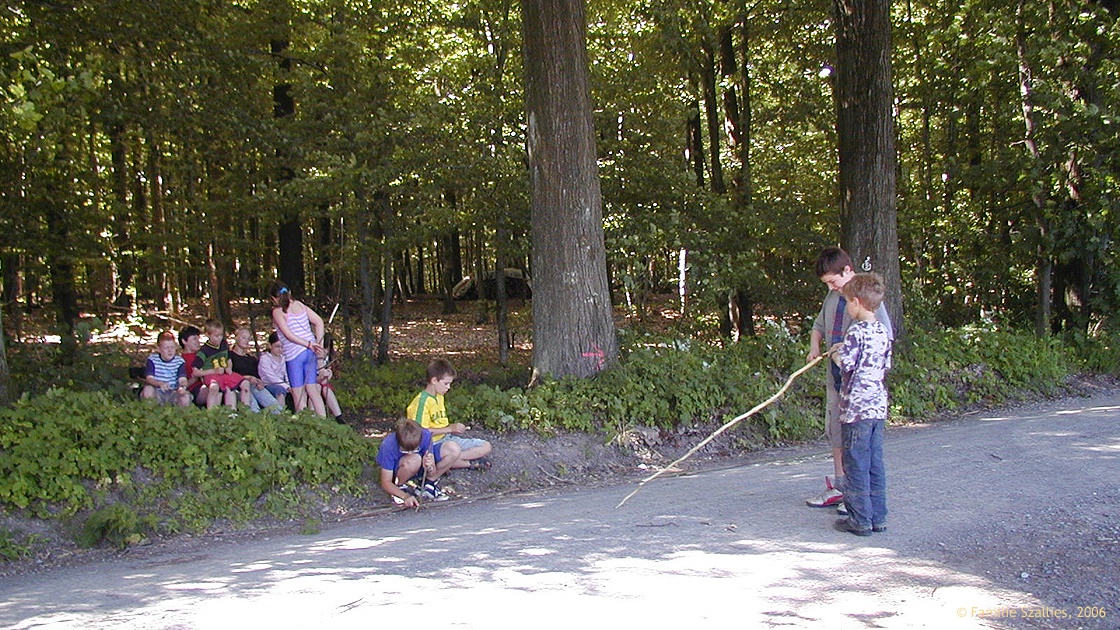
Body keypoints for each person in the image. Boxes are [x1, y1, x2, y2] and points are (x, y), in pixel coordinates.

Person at [805, 247, 893, 513]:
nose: (831, 287)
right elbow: (819, 326)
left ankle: (857, 497)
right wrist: (815, 347)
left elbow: (883, 337)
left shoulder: (865, 298)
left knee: (857, 441)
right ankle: (841, 487)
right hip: (837, 381)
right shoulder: (832, 296)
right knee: (836, 430)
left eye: (833, 281)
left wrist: (842, 352)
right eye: (827, 284)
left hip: (858, 388)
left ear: (847, 270)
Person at [829, 272, 892, 536]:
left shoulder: (856, 331)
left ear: (856, 302)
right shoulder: (883, 331)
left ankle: (859, 519)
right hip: (877, 407)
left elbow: (846, 364)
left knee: (855, 462)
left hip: (856, 409)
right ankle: (878, 516)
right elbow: (885, 364)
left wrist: (835, 352)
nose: (847, 308)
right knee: (874, 462)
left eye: (847, 302)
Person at [407, 358, 492, 470]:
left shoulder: (439, 396)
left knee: (486, 446)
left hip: (446, 438)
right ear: (434, 380)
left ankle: (448, 462)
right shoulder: (421, 402)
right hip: (431, 444)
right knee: (454, 449)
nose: (448, 387)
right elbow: (420, 432)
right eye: (446, 383)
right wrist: (450, 429)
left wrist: (451, 429)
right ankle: (461, 463)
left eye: (450, 384)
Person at [269, 281, 328, 416]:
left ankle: (303, 423)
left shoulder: (277, 312)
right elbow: (319, 321)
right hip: (310, 352)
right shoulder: (300, 305)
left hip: (295, 354)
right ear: (289, 292)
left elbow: (288, 335)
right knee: (312, 390)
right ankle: (323, 421)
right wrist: (318, 344)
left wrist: (308, 344)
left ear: (273, 298)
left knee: (298, 393)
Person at [376, 417, 462, 505]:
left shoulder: (425, 435)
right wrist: (404, 496)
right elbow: (386, 481)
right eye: (405, 450)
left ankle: (428, 484)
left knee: (453, 448)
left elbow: (432, 471)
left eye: (415, 449)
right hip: (403, 467)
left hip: (420, 465)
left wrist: (430, 467)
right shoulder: (388, 444)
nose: (410, 453)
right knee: (414, 458)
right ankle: (400, 486)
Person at [194, 319, 252, 410]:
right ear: (208, 335)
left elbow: (228, 358)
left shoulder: (224, 344)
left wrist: (229, 367)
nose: (219, 338)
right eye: (216, 336)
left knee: (245, 383)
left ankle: (245, 411)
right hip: (212, 376)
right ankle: (211, 412)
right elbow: (195, 372)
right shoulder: (204, 351)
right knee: (214, 387)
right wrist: (213, 371)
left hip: (225, 374)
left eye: (221, 335)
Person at [230, 327, 284, 414]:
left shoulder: (251, 359)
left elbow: (257, 375)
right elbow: (229, 375)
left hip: (253, 385)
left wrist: (259, 382)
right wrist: (246, 377)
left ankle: (281, 416)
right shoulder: (230, 356)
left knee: (271, 402)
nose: (246, 341)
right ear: (236, 338)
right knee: (253, 404)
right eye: (244, 338)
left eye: (248, 339)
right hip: (238, 387)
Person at [140, 331, 192, 407]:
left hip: (173, 391)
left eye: (172, 347)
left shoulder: (179, 361)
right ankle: (150, 410)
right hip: (157, 391)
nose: (170, 350)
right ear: (159, 349)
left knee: (185, 396)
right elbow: (149, 379)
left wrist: (182, 387)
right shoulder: (152, 360)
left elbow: (182, 379)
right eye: (166, 348)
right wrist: (159, 383)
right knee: (148, 389)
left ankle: (181, 412)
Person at [258, 332, 291, 410]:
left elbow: (286, 373)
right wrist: (287, 387)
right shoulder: (265, 359)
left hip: (283, 383)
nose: (280, 349)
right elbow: (272, 377)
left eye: (282, 347)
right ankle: (281, 412)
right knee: (279, 390)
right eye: (277, 346)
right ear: (270, 345)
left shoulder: (283, 358)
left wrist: (289, 384)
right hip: (268, 384)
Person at [178, 325, 208, 406]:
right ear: (184, 341)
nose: (198, 342)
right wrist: (195, 378)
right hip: (193, 391)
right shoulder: (180, 360)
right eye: (194, 339)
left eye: (198, 339)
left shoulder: (202, 356)